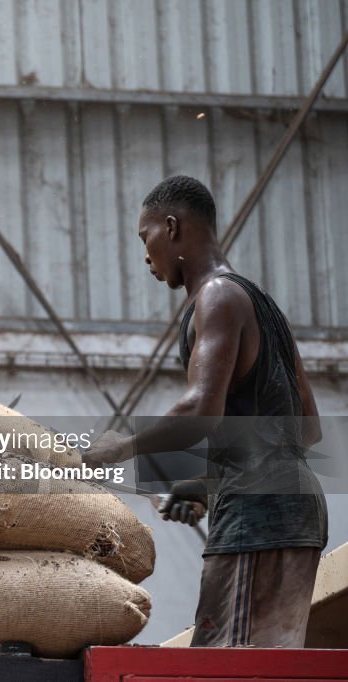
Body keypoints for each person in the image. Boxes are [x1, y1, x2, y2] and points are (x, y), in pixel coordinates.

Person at [84, 175, 327, 648]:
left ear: (171, 227)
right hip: (296, 511)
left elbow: (200, 408)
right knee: (269, 668)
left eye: (145, 237)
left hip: (258, 519)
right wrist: (206, 484)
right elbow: (308, 431)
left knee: (227, 664)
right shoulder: (263, 305)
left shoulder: (215, 298)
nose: (145, 256)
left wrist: (124, 447)